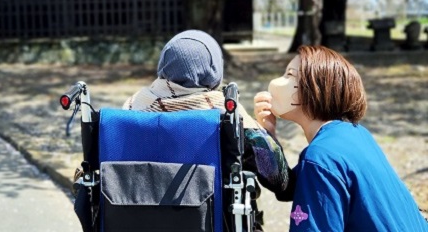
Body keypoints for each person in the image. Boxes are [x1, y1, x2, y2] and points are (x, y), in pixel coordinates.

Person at [123, 29, 292, 231]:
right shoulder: (229, 117)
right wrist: (268, 131)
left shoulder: (130, 111)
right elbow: (281, 182)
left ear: (164, 66)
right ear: (214, 72)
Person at [253, 45, 428, 231]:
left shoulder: (321, 157)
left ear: (313, 88)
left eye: (289, 75)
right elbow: (288, 187)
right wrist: (268, 135)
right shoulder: (354, 133)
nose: (275, 83)